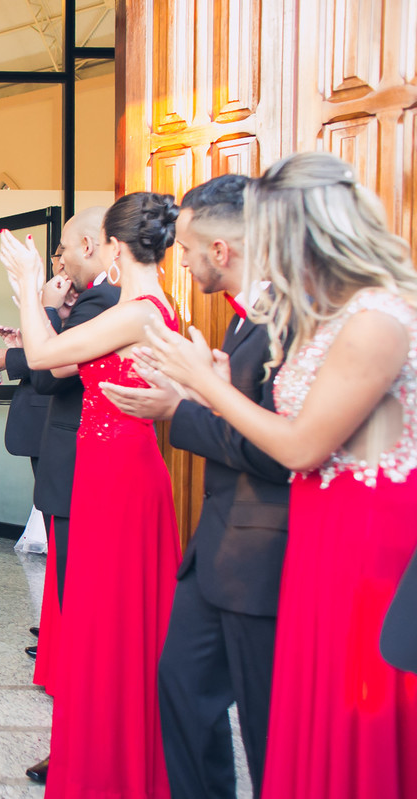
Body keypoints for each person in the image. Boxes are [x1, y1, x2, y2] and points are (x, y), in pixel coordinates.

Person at [145, 152, 417, 799]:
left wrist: (202, 386)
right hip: (315, 529)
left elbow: (298, 446)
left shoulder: (379, 317)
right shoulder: (326, 315)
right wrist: (213, 384)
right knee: (300, 719)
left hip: (363, 534)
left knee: (345, 716)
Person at [103, 174, 290, 799]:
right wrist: (194, 392)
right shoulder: (243, 322)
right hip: (215, 549)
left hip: (260, 552)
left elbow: (275, 450)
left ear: (221, 250)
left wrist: (180, 406)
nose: (178, 259)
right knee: (181, 689)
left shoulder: (284, 322)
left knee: (265, 732)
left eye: (185, 249)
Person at [0, 193, 181, 799]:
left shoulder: (138, 312)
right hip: (105, 469)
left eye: (101, 243)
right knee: (100, 624)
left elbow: (44, 357)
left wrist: (29, 286)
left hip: (120, 474)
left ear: (116, 247)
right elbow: (59, 365)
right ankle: (104, 749)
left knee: (109, 623)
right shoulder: (142, 307)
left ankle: (113, 762)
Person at [0, 242, 75, 688]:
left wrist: (11, 357)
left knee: (63, 532)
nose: (58, 264)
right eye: (56, 258)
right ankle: (57, 623)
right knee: (55, 528)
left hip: (59, 421)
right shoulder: (63, 299)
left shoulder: (86, 303)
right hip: (44, 421)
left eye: (61, 256)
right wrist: (20, 345)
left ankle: (64, 628)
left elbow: (60, 358)